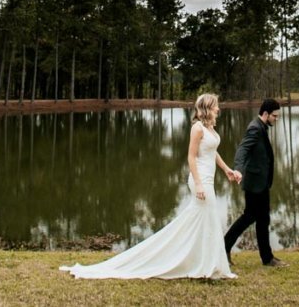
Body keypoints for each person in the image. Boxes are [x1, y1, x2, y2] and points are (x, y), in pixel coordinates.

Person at [60, 93, 241, 280]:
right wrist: (198, 184)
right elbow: (191, 157)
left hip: (208, 179)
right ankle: (204, 265)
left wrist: (227, 170)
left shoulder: (209, 128)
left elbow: (212, 152)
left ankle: (206, 264)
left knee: (205, 220)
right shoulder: (197, 128)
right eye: (215, 106)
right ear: (207, 108)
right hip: (200, 180)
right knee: (207, 218)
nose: (218, 109)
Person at [223, 98, 287, 267]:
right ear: (265, 114)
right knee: (250, 217)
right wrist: (237, 169)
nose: (276, 119)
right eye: (275, 116)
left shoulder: (261, 127)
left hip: (261, 182)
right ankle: (225, 246)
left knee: (262, 219)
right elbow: (242, 149)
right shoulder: (254, 128)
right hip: (255, 184)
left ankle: (267, 258)